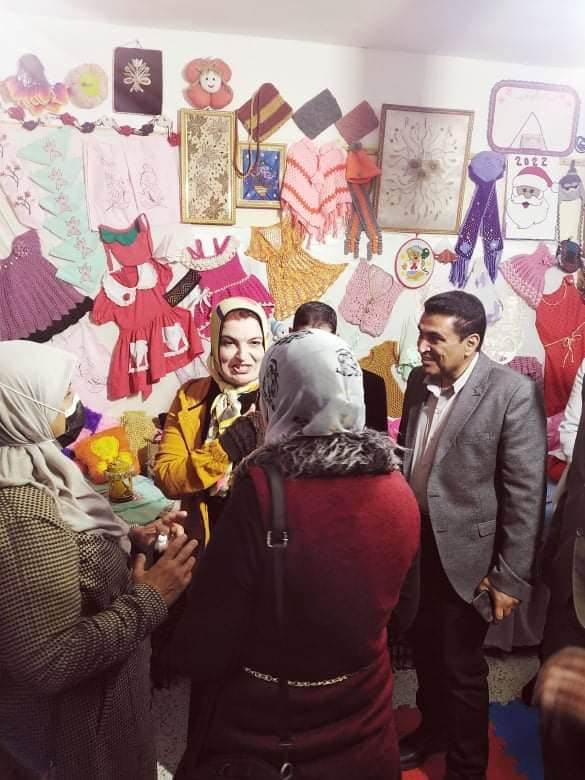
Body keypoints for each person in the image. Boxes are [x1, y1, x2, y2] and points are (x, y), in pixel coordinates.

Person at [171, 329, 420, 780]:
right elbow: (404, 610)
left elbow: (210, 634)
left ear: (276, 392)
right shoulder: (398, 488)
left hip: (271, 727)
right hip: (366, 715)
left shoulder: (264, 491)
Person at [0, 340, 197, 779]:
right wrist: (151, 598)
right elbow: (48, 661)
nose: (74, 399)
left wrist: (131, 538)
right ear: (20, 408)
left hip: (107, 704)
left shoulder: (38, 466)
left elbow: (72, 546)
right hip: (76, 738)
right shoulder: (22, 512)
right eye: (62, 391)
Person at [397, 290, 547, 779]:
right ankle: (432, 732)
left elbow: (525, 493)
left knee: (460, 667)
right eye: (422, 334)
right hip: (417, 546)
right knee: (424, 652)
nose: (422, 346)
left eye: (434, 338)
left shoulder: (511, 392)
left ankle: (467, 766)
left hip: (469, 556)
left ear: (471, 343)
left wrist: (509, 578)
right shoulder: (419, 382)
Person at [154, 297, 269, 545]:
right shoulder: (190, 396)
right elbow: (167, 479)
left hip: (263, 543)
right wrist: (224, 449)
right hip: (204, 540)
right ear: (215, 344)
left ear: (266, 345)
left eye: (254, 343)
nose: (242, 356)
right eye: (229, 343)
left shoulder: (281, 397)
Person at [292, 300, 388, 432]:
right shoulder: (277, 380)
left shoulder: (370, 385)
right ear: (289, 335)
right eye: (305, 339)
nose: (313, 348)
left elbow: (377, 441)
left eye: (322, 341)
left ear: (336, 339)